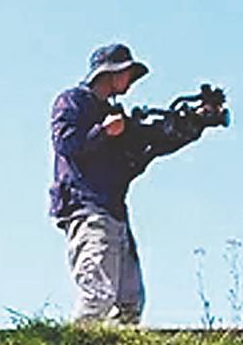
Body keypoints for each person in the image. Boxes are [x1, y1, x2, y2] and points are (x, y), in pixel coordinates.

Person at [49, 43, 217, 324]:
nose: (130, 80)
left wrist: (197, 120)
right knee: (97, 296)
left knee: (129, 302)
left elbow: (156, 139)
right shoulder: (73, 101)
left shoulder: (118, 117)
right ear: (111, 73)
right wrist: (103, 132)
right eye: (127, 72)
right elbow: (66, 143)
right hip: (87, 209)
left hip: (114, 213)